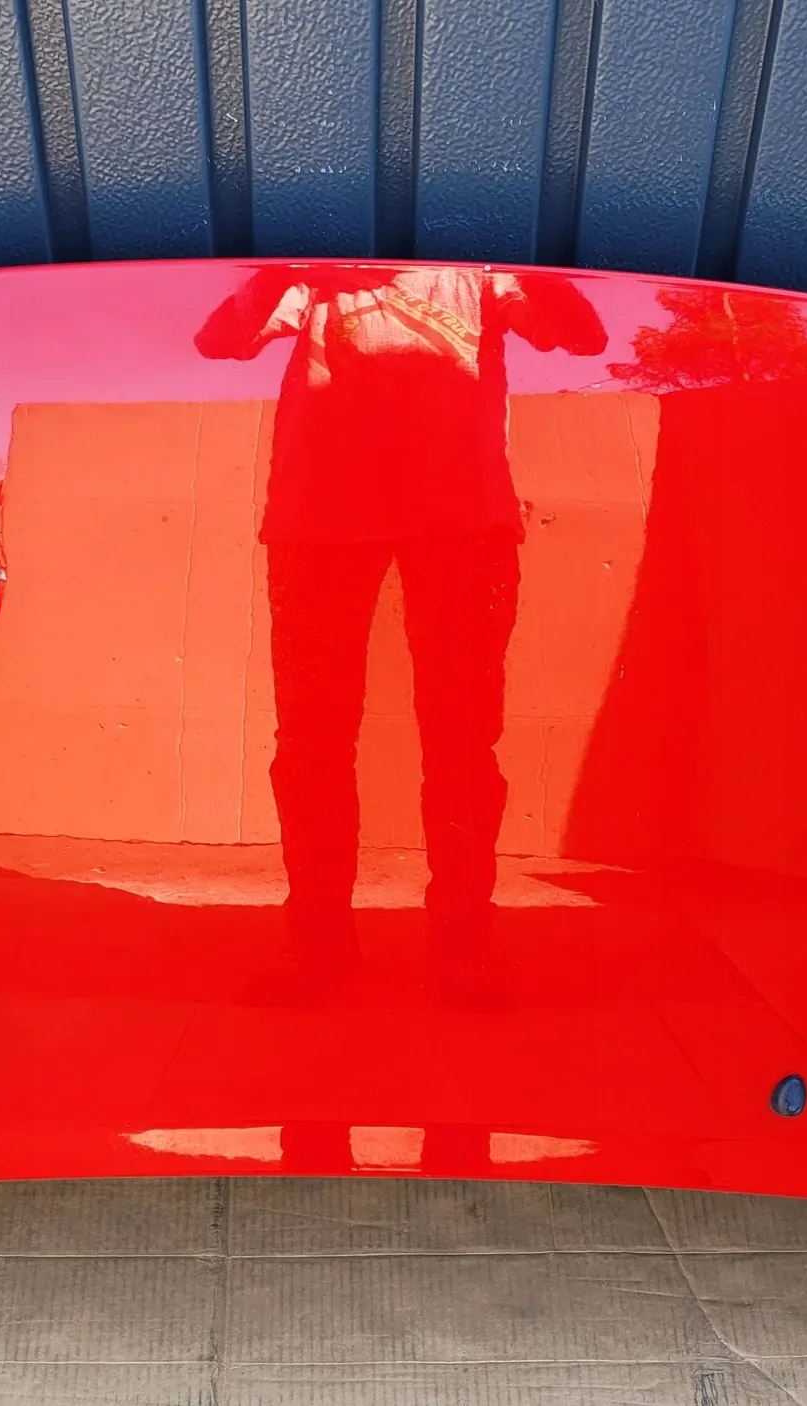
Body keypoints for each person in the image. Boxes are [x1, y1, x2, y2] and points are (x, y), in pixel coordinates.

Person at [196, 265, 605, 997]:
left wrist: (530, 253)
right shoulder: (313, 279)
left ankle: (462, 951)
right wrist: (285, 263)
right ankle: (319, 949)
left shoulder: (484, 274)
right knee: (312, 741)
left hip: (462, 525)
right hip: (319, 524)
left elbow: (581, 335)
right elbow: (220, 341)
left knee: (463, 741)